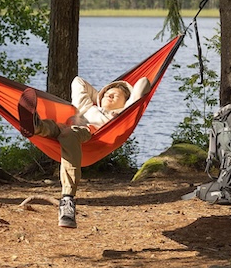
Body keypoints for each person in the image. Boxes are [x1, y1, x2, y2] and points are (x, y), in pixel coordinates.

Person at [18, 75, 151, 228]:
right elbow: (77, 81)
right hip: (64, 129)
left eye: (116, 96)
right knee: (55, 128)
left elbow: (144, 83)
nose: (110, 95)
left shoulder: (121, 114)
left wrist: (125, 102)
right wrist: (100, 96)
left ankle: (68, 199)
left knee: (69, 133)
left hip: (88, 134)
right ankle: (34, 125)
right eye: (108, 93)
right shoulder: (87, 107)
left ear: (125, 101)